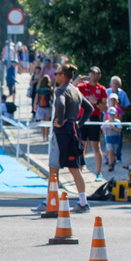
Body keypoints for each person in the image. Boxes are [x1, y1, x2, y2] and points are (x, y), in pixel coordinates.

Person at [53, 64, 94, 213]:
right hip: (74, 129)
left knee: (72, 168)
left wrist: (61, 119)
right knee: (68, 166)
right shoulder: (76, 91)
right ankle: (52, 199)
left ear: (63, 75)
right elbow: (89, 108)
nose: (55, 76)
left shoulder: (61, 90)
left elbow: (60, 104)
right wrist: (78, 123)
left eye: (57, 73)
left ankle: (82, 203)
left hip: (65, 132)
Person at [77, 66, 108, 181]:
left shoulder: (102, 89)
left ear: (99, 76)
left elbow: (105, 107)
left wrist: (96, 102)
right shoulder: (81, 87)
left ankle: (98, 172)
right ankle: (79, 170)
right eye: (91, 73)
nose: (93, 76)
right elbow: (71, 93)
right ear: (89, 74)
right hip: (82, 117)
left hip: (95, 118)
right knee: (82, 144)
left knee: (96, 145)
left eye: (96, 74)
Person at [101, 106, 123, 171]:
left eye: (113, 115)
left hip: (115, 139)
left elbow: (119, 130)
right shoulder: (106, 122)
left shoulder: (117, 122)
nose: (111, 116)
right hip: (108, 139)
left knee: (113, 152)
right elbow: (102, 128)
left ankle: (112, 164)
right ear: (108, 115)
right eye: (110, 114)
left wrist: (113, 127)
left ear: (115, 115)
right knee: (110, 151)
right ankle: (110, 165)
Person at [33, 74, 53, 141]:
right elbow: (52, 98)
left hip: (40, 107)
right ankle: (47, 136)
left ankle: (43, 137)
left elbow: (36, 98)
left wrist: (34, 106)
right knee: (47, 123)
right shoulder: (49, 89)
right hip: (47, 107)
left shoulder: (38, 90)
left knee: (42, 123)